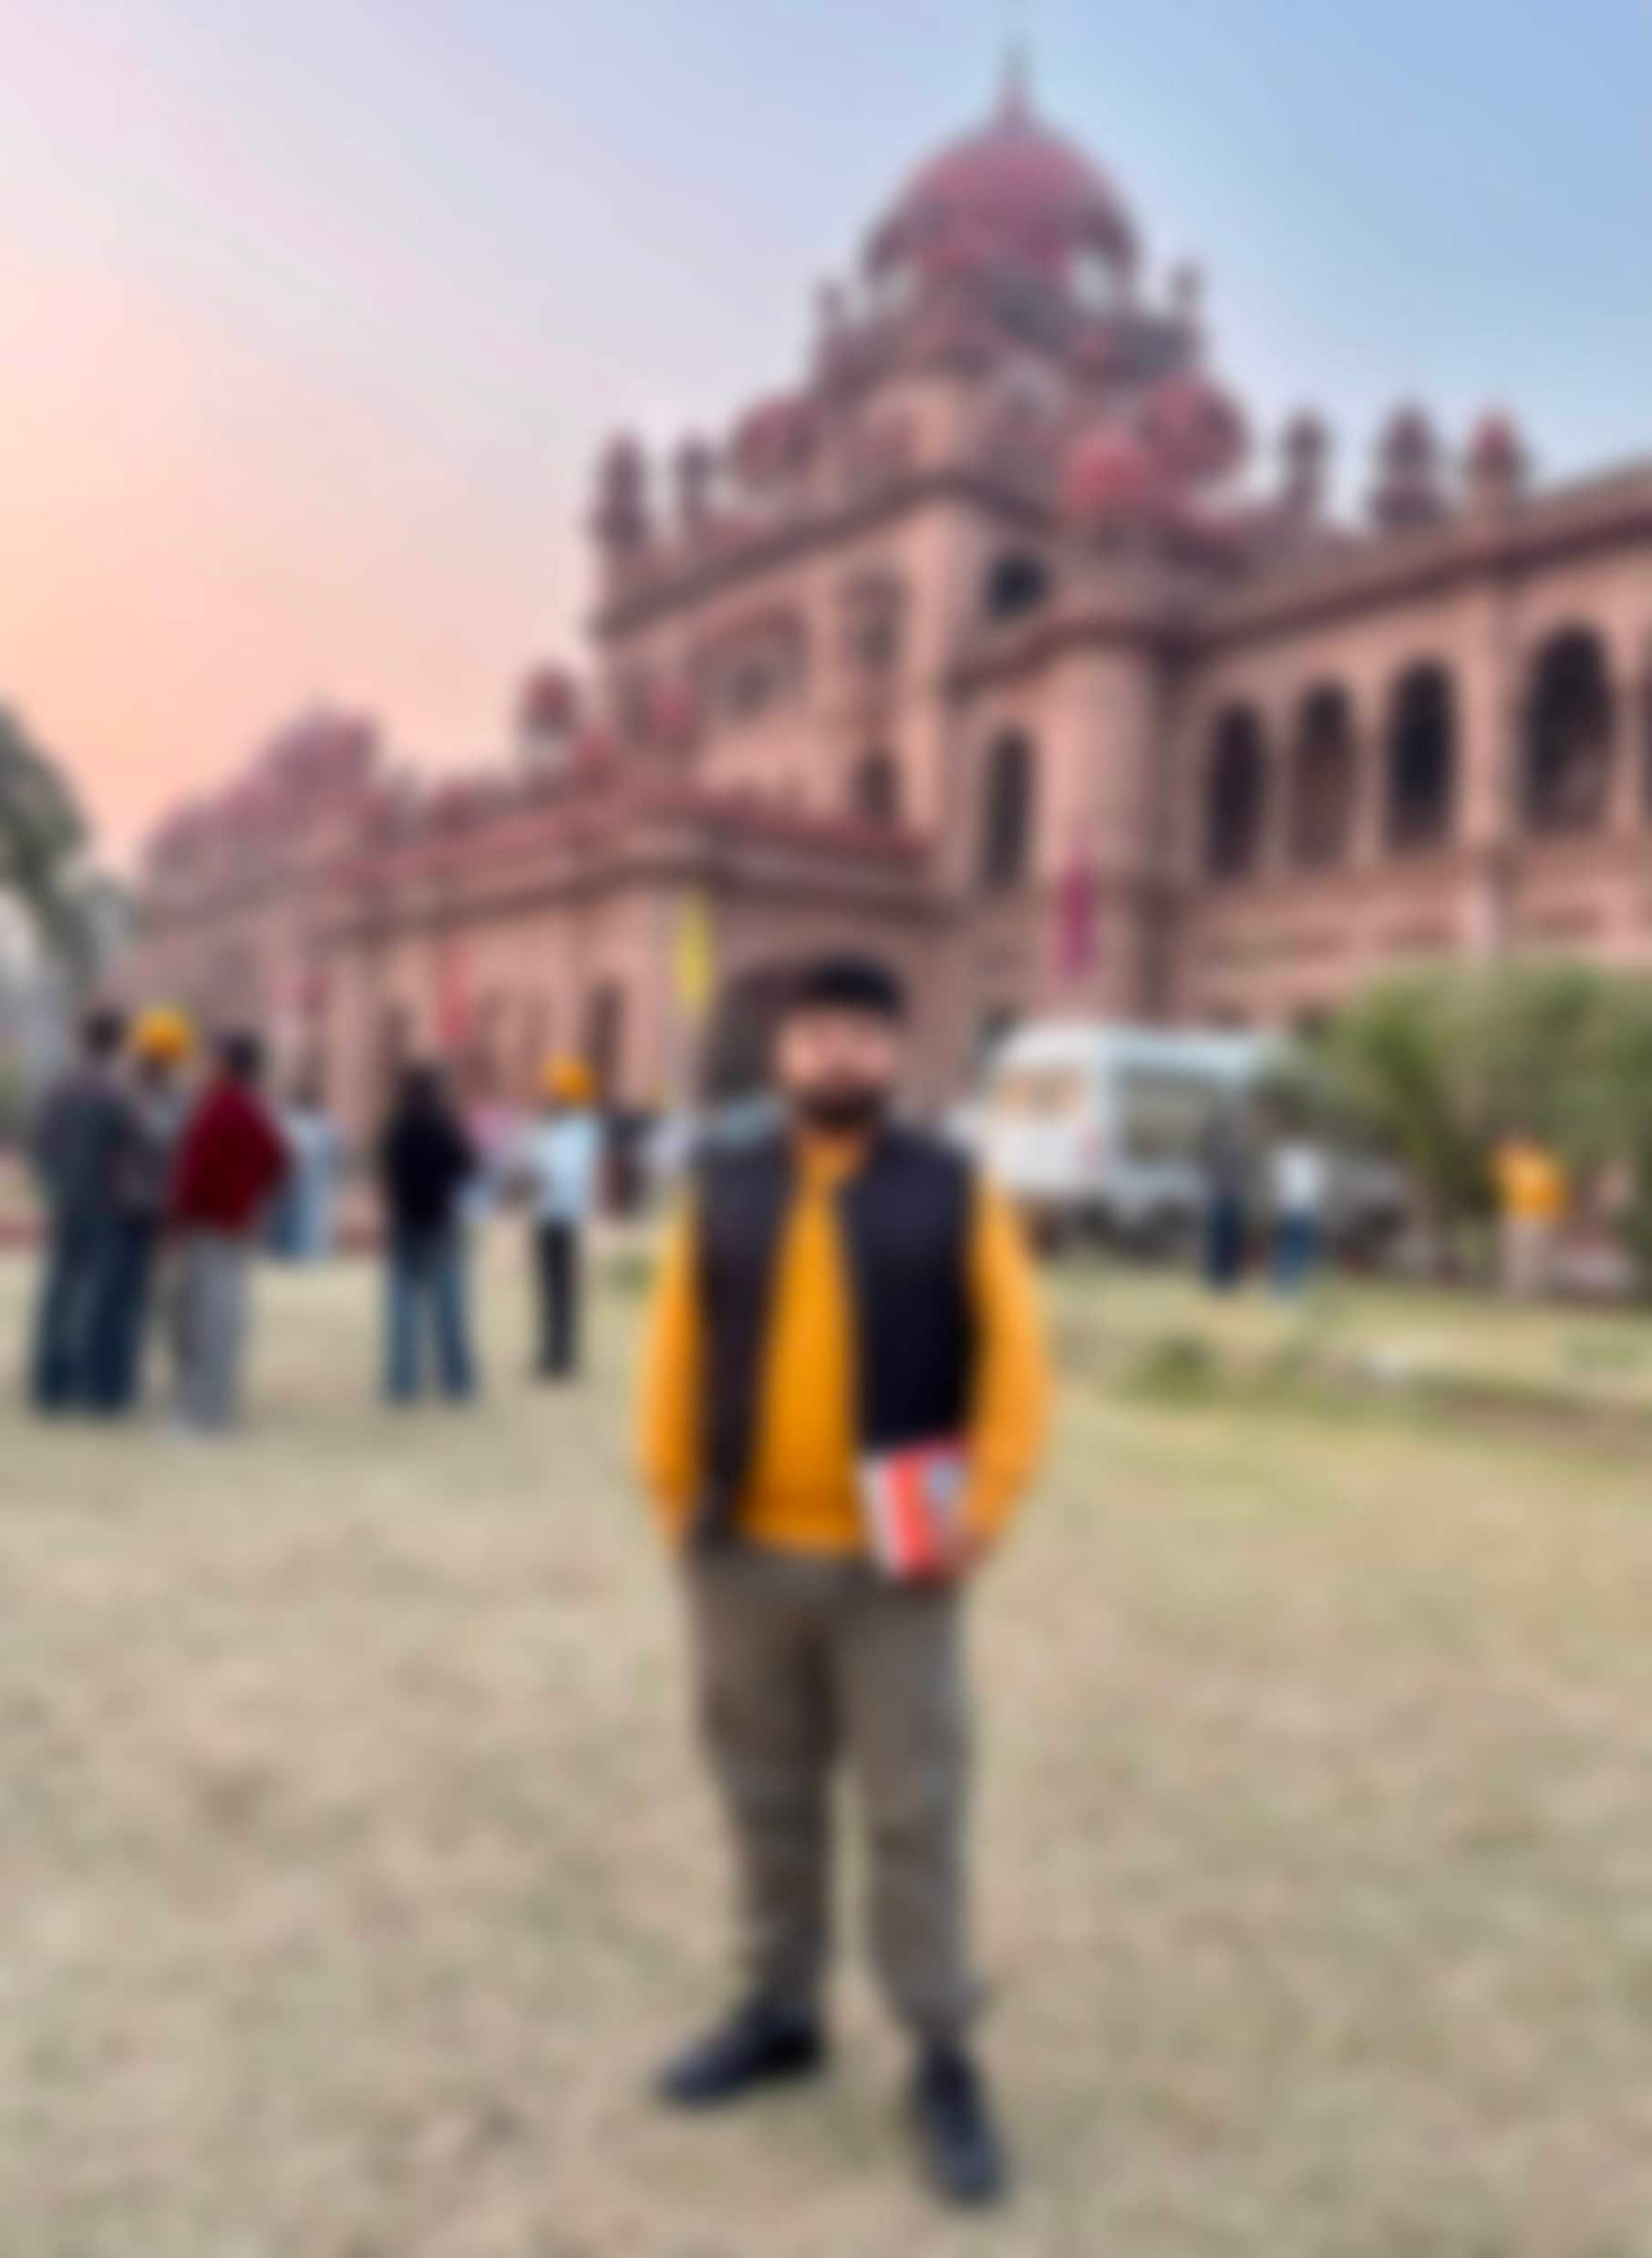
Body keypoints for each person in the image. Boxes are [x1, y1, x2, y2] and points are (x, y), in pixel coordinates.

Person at [635, 954, 1049, 2211]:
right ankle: (780, 2007)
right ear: (784, 1052)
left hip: (897, 1562)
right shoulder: (726, 1184)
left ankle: (940, 2049)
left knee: (913, 1805)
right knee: (764, 1793)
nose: (837, 1053)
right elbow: (675, 1348)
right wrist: (672, 1495)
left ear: (895, 1052)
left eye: (861, 1035)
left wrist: (987, 1503)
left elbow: (1018, 1361)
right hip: (741, 1554)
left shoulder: (951, 1189)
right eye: (816, 1033)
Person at [169, 1030, 288, 1431]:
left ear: (226, 1064)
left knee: (203, 1322)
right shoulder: (254, 1109)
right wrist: (252, 1196)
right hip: (237, 1226)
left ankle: (202, 1413)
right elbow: (279, 1161)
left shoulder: (218, 1108)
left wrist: (179, 1219)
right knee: (226, 1320)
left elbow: (194, 1172)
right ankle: (216, 1406)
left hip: (208, 1227)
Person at [84, 1005, 195, 1413]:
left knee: (136, 1302)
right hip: (122, 1209)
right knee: (114, 1298)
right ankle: (105, 1383)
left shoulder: (168, 1098)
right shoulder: (125, 1093)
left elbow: (170, 1145)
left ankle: (120, 1383)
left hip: (147, 1211)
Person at [26, 1006, 129, 1411]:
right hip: (101, 1206)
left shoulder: (61, 1088)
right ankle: (90, 1382)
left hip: (67, 1200)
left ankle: (50, 1383)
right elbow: (125, 1153)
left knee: (59, 1294)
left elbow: (42, 1143)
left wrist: (53, 1184)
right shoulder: (115, 1094)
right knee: (96, 1298)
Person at [377, 1063, 478, 1404]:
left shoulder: (396, 1128)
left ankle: (402, 1383)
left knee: (402, 1312)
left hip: (406, 1223)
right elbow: (468, 1166)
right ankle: (457, 1381)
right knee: (448, 1309)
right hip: (439, 1223)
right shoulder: (443, 1127)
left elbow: (386, 1173)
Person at [514, 1055, 603, 1380]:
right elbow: (531, 1162)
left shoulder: (580, 1129)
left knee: (561, 1290)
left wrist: (535, 1172)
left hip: (562, 1218)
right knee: (548, 1290)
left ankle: (561, 1358)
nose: (548, 1096)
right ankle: (550, 1353)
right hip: (545, 1215)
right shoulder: (551, 1127)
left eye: (553, 1091)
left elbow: (563, 1171)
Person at [269, 1077, 344, 1261]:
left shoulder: (320, 1126)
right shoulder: (293, 1124)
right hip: (296, 1197)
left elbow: (339, 1158)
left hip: (308, 1197)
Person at [1492, 1129, 1568, 1298]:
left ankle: (1534, 1290)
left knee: (1537, 1257)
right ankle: (1514, 1290)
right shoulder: (1513, 1164)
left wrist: (1556, 1217)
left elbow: (1557, 1193)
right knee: (1514, 1256)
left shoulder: (1546, 1165)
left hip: (1541, 1218)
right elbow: (1497, 1167)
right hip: (1516, 1217)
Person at [1268, 1120, 1328, 1294]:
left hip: (1298, 1209)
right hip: (1295, 1209)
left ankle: (1288, 1286)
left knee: (1293, 1248)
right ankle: (1286, 1286)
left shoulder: (1290, 1158)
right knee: (1292, 1248)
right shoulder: (1301, 1159)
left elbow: (1316, 1186)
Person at [1201, 1103, 1249, 1291]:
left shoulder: (1233, 1150)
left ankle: (1225, 1278)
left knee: (1228, 1241)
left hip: (1228, 1199)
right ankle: (1219, 1278)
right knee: (1220, 1240)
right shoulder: (1222, 1150)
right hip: (1223, 1199)